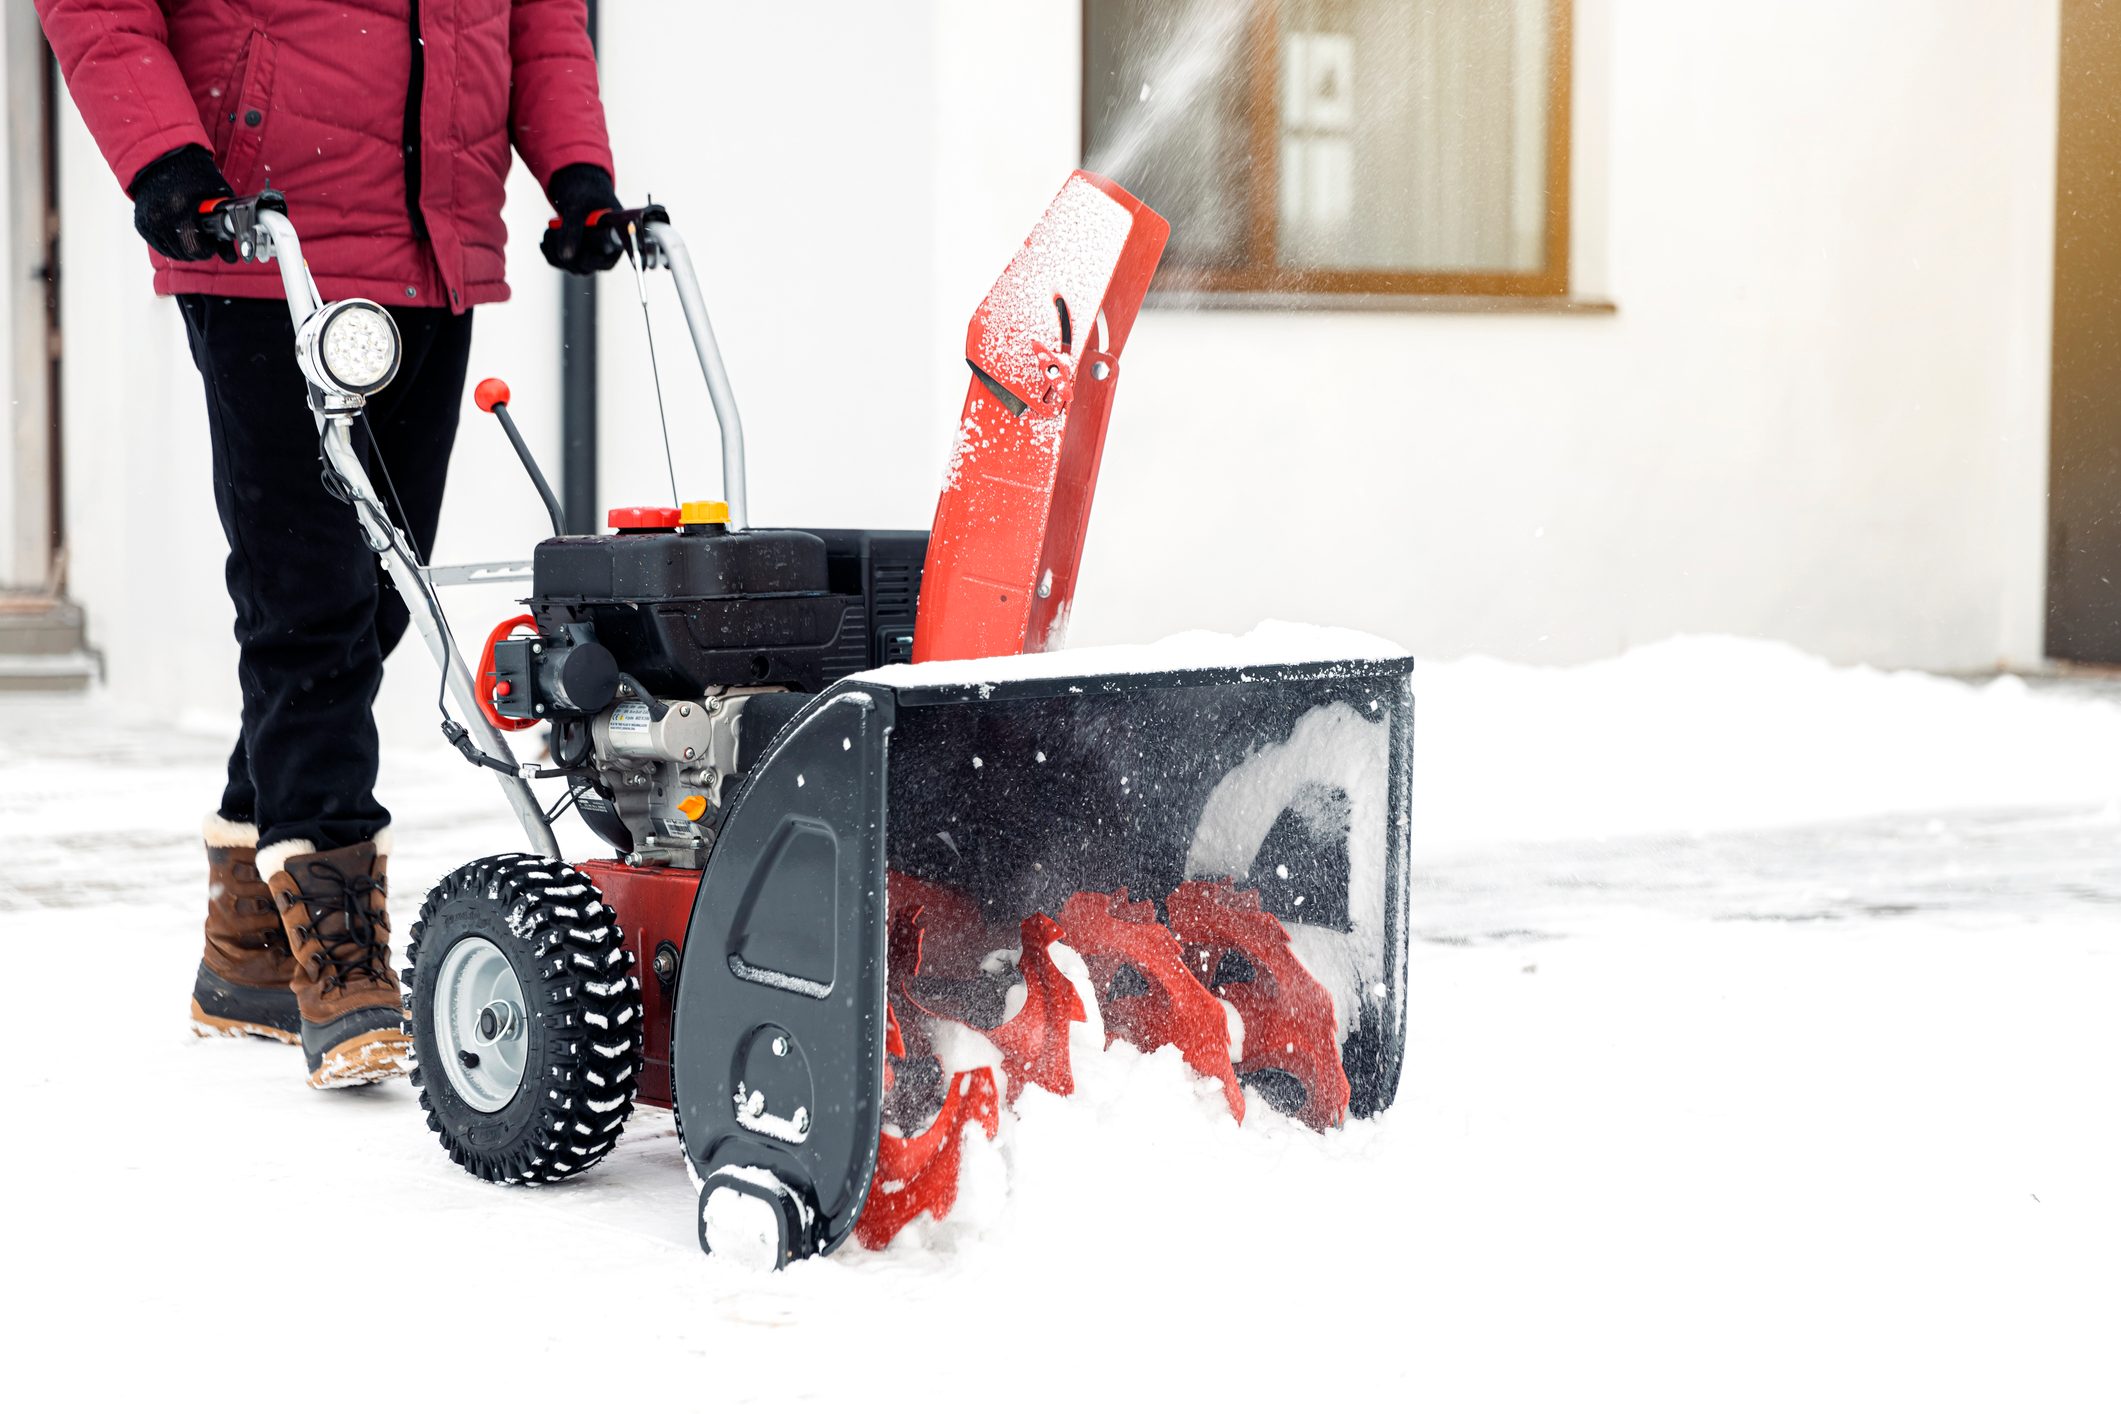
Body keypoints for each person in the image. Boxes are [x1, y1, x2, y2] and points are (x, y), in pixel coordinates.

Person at [38, 0, 626, 1087]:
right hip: (263, 241)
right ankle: (339, 951)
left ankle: (247, 951)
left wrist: (576, 170)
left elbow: (541, 21)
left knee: (374, 596)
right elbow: (100, 13)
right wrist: (165, 158)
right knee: (308, 596)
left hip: (433, 246)